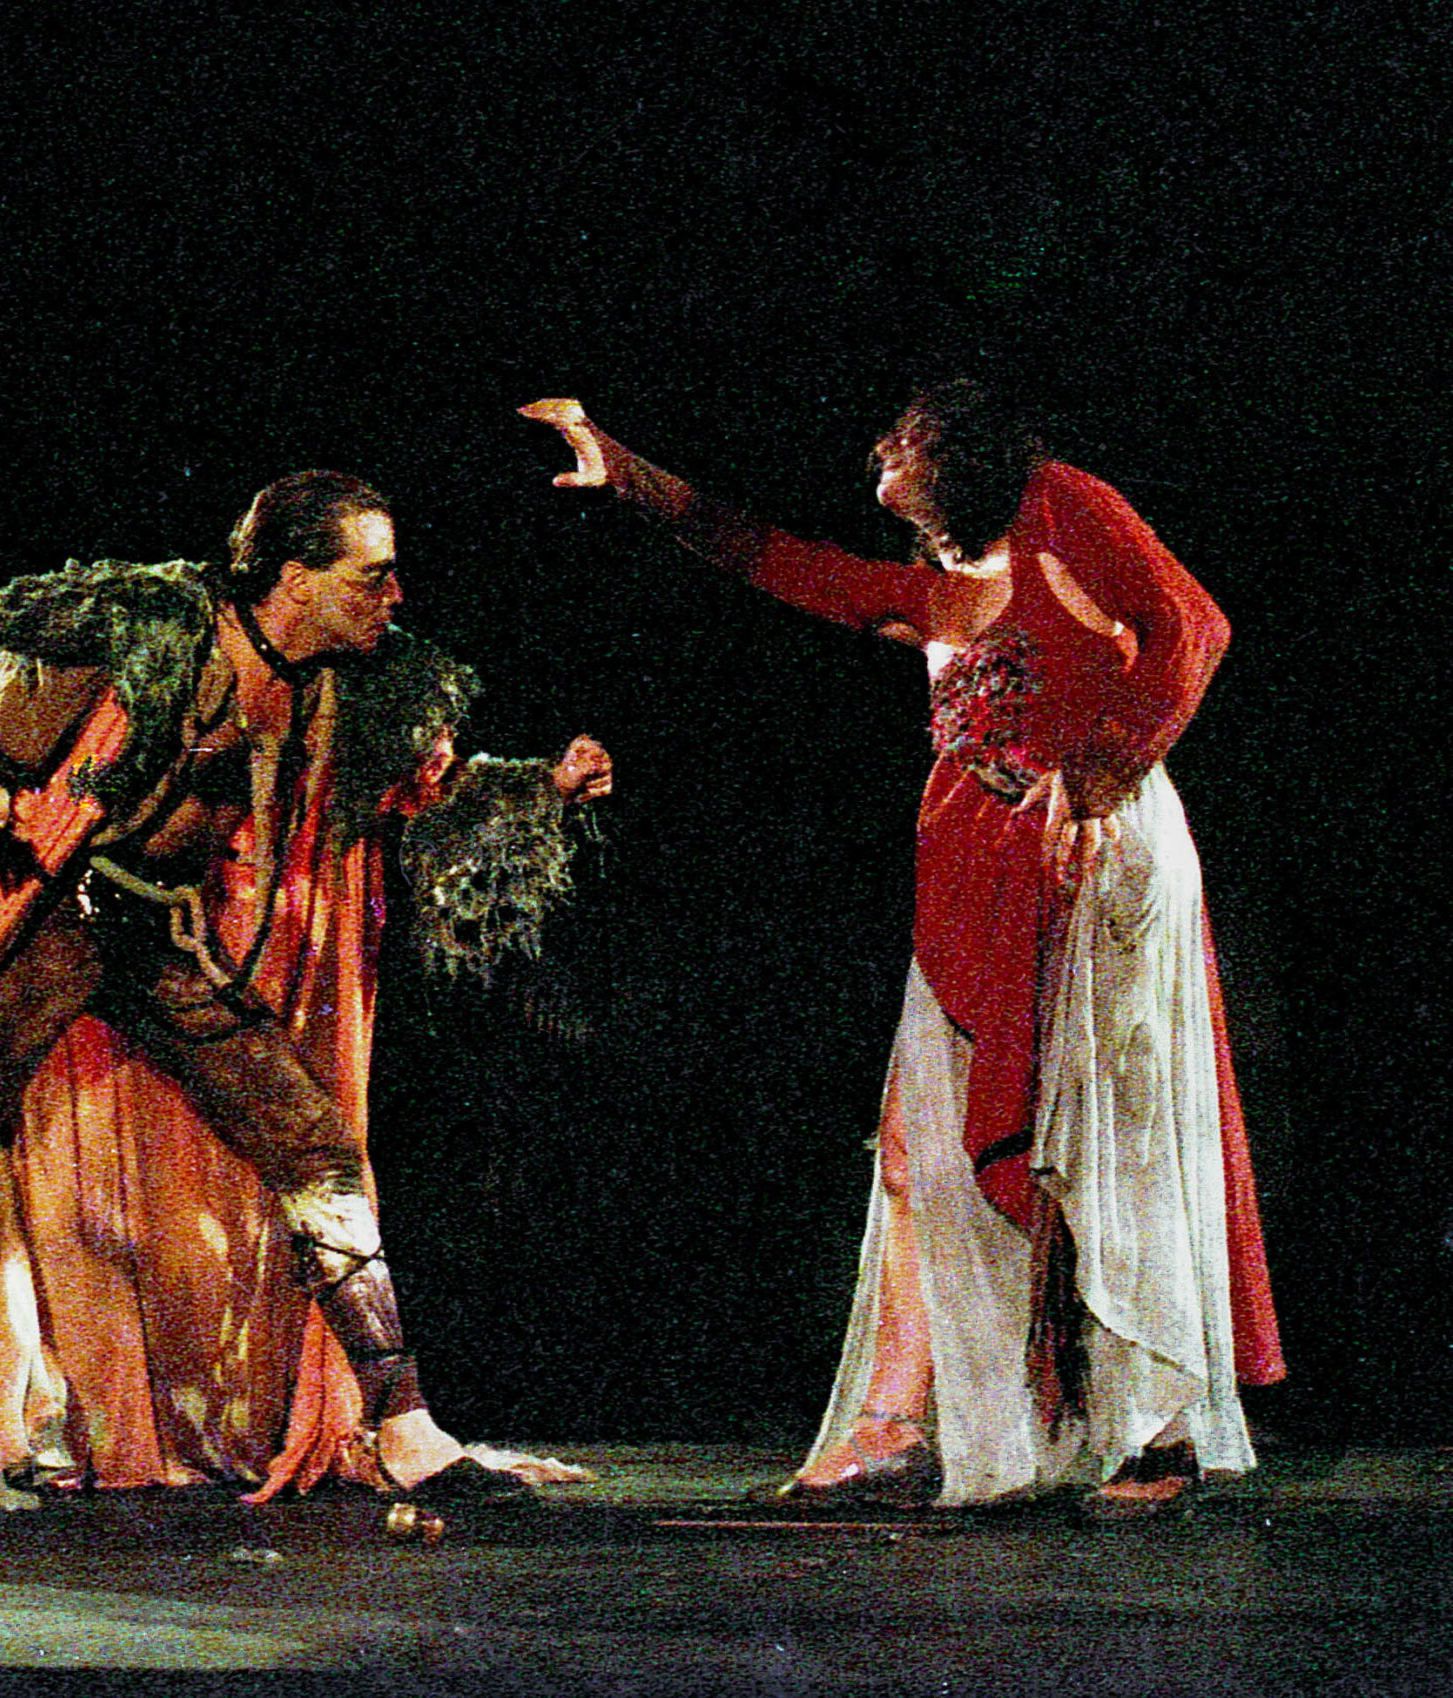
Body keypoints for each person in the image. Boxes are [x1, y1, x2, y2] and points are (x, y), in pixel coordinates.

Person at [0, 471, 611, 1505]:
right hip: (53, 918)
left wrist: (544, 783)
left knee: (314, 1150)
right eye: (372, 575)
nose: (394, 596)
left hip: (163, 934)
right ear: (293, 576)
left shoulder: (359, 685)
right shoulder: (149, 627)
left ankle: (404, 1425)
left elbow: (424, 793)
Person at [521, 386, 1282, 1515]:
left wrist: (1106, 765)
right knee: (919, 1146)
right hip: (975, 873)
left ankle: (1155, 1433)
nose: (886, 448)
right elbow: (773, 558)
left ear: (969, 453)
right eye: (886, 438)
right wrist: (625, 469)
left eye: (912, 436)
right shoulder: (933, 592)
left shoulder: (1061, 505)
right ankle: (916, 1429)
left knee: (1108, 1138)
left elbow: (1194, 626)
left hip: (1093, 860)